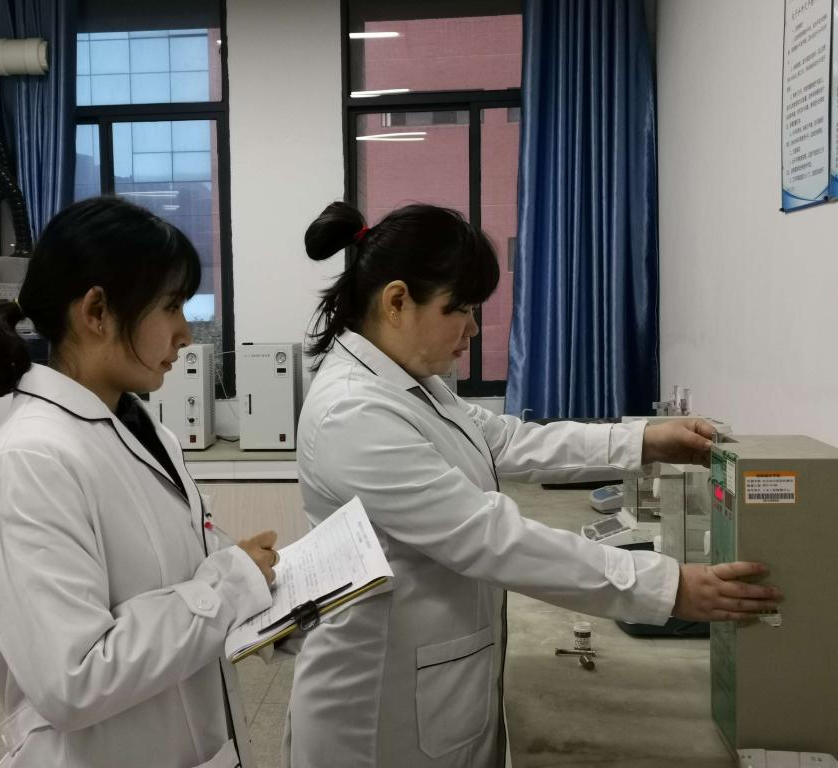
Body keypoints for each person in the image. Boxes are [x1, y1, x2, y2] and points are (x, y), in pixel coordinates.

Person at [283, 201, 781, 768]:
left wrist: (644, 441)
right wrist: (667, 588)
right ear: (396, 301)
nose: (473, 329)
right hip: (377, 713)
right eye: (459, 309)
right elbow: (491, 539)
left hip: (433, 682)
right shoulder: (352, 413)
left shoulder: (410, 383)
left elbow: (508, 440)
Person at [0, 196, 279, 768]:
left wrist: (269, 595)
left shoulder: (142, 429)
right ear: (96, 311)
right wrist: (231, 589)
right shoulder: (29, 462)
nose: (185, 333)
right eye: (171, 306)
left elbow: (186, 569)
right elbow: (74, 678)